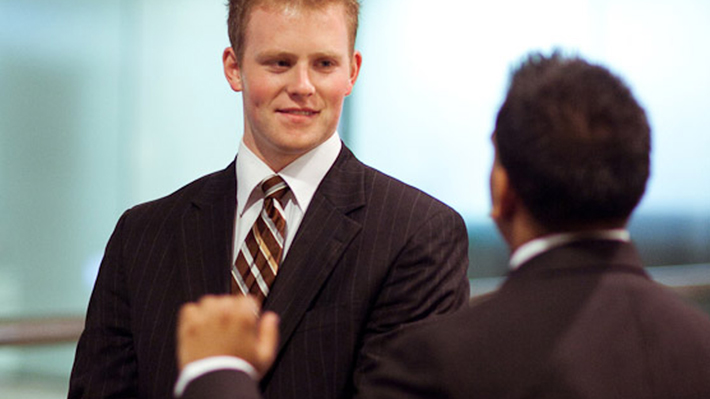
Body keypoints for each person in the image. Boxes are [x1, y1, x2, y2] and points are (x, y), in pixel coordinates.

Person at [174, 52, 710, 398]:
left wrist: (217, 373)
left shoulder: (443, 365)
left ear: (502, 190)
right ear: (640, 177)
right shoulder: (699, 348)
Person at [67, 1, 470, 398]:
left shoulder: (417, 234)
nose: (302, 86)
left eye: (324, 64)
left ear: (352, 72)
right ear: (233, 67)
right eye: (279, 62)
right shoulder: (142, 235)